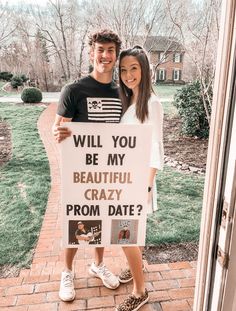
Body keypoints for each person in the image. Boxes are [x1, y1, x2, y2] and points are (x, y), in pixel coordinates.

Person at [52, 29, 122, 302]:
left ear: (116, 56)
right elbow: (60, 129)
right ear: (91, 53)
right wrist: (59, 132)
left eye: (110, 51)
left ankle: (97, 265)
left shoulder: (122, 91)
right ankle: (67, 271)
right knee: (78, 222)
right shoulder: (74, 90)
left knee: (103, 220)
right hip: (81, 170)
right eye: (100, 50)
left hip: (112, 169)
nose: (105, 56)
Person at [115, 46, 164, 311]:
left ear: (144, 69)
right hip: (124, 177)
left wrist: (145, 186)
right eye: (123, 69)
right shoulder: (129, 99)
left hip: (139, 179)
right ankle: (134, 266)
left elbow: (155, 146)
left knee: (123, 235)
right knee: (132, 233)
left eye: (134, 68)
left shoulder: (151, 103)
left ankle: (139, 290)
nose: (128, 74)